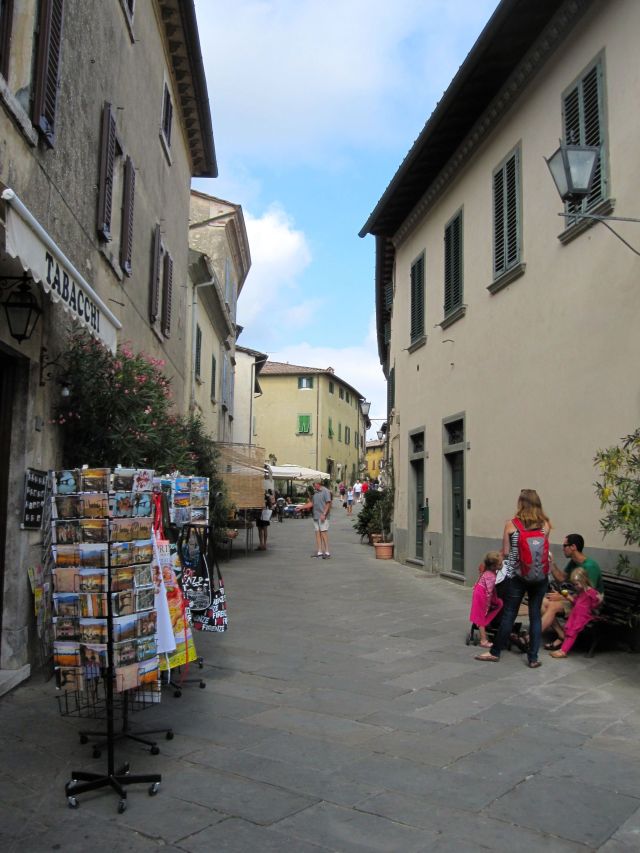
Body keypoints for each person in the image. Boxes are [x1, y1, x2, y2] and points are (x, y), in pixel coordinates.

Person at [475, 488, 551, 668]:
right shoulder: (545, 525)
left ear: (520, 503)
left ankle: (495, 653)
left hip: (517, 576)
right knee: (535, 617)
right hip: (540, 577)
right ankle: (533, 658)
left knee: (509, 614)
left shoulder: (511, 525)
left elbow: (507, 553)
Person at [541, 533, 604, 650]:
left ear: (573, 547)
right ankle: (561, 634)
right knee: (542, 603)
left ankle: (531, 638)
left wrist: (561, 596)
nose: (563, 548)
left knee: (553, 606)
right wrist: (551, 563)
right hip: (575, 599)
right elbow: (561, 578)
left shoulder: (590, 566)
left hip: (588, 605)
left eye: (565, 545)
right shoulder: (574, 563)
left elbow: (588, 594)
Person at [549, 568, 603, 658]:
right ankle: (562, 649)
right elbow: (575, 602)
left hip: (582, 617)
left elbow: (594, 605)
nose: (575, 586)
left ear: (584, 580)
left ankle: (563, 651)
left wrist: (599, 600)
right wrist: (566, 595)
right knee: (568, 630)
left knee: (572, 632)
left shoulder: (591, 592)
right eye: (574, 584)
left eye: (576, 584)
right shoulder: (582, 592)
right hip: (576, 615)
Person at [469, 551, 504, 648]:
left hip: (479, 592)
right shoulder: (491, 576)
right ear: (493, 566)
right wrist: (487, 606)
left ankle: (484, 624)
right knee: (481, 616)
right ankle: (483, 640)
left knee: (482, 614)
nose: (502, 565)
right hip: (481, 595)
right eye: (500, 564)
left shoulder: (489, 571)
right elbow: (489, 592)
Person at [303, 480, 332, 559]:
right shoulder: (315, 492)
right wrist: (301, 507)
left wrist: (324, 514)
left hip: (323, 516)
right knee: (317, 533)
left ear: (318, 484)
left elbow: (328, 503)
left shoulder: (325, 491)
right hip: (316, 516)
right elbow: (312, 503)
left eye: (314, 484)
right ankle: (319, 552)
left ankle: (327, 552)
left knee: (323, 533)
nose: (313, 486)